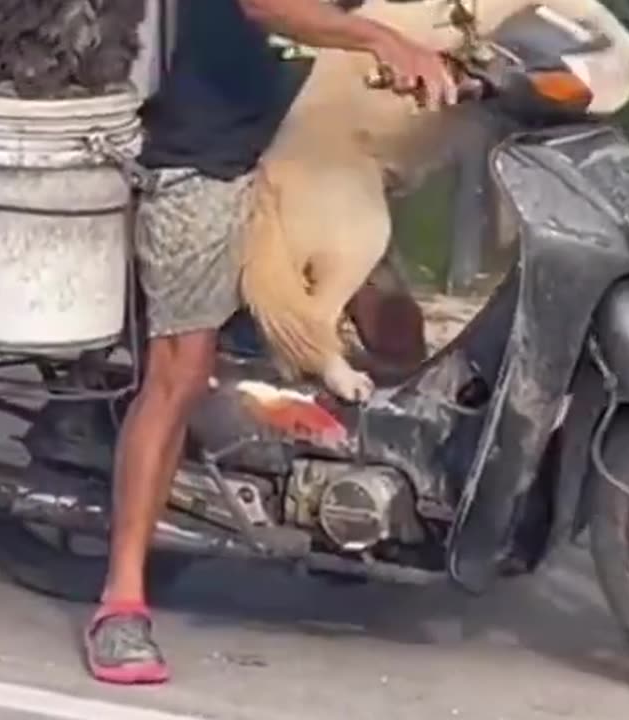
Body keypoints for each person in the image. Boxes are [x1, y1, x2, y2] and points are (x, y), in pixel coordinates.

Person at [84, 0, 456, 685]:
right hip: (205, 164)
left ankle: (356, 509)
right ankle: (122, 600)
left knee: (397, 325)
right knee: (180, 372)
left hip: (299, 160)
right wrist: (377, 37)